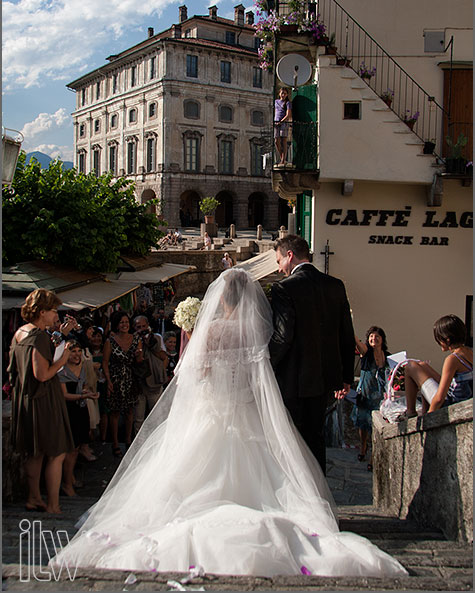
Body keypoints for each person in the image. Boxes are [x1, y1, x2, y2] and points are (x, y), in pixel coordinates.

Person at [51, 269, 407, 579]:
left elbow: (195, 376)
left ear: (218, 299)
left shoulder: (212, 332)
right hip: (247, 410)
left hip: (211, 410)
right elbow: (261, 379)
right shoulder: (257, 333)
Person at [268, 234, 355, 474]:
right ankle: (318, 492)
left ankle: (298, 496)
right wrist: (346, 376)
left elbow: (283, 337)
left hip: (293, 378)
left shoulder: (284, 288)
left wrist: (265, 362)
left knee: (292, 439)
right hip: (326, 378)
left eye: (278, 261)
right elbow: (346, 334)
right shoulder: (335, 285)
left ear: (289, 255)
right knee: (316, 437)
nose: (279, 268)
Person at [7, 288, 75, 514]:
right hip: (43, 399)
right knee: (57, 452)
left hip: (25, 398)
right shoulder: (37, 336)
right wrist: (63, 359)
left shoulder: (19, 333)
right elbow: (42, 374)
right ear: (42, 312)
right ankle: (53, 505)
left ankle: (34, 498)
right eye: (54, 310)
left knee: (34, 451)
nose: (56, 314)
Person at [404, 314, 473, 416]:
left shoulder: (453, 359)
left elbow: (440, 398)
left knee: (410, 366)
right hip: (463, 398)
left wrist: (429, 416)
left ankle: (410, 412)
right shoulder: (470, 352)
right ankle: (423, 410)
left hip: (452, 405)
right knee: (423, 365)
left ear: (447, 339)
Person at [58, 341, 99, 496]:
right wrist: (84, 395)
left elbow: (82, 386)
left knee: (76, 448)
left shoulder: (82, 367)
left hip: (81, 409)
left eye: (78, 351)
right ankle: (67, 483)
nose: (76, 354)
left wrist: (88, 393)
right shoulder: (62, 371)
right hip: (69, 411)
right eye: (72, 351)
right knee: (70, 449)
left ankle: (70, 478)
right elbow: (64, 395)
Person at [102, 311, 141, 457]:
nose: (124, 325)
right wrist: (109, 380)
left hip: (130, 378)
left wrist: (139, 355)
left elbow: (139, 361)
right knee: (115, 412)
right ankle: (116, 443)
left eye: (126, 322)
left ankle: (128, 440)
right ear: (117, 325)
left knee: (130, 411)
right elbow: (105, 362)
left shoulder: (136, 338)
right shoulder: (110, 341)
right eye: (121, 322)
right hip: (116, 378)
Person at [353, 327, 390, 471]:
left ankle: (373, 456)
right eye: (371, 337)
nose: (374, 339)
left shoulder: (387, 356)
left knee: (376, 426)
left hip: (379, 395)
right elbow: (356, 341)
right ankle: (363, 446)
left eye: (377, 336)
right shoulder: (366, 353)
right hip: (365, 393)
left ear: (382, 339)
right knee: (362, 423)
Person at [133, 316, 168, 434]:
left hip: (154, 382)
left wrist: (150, 344)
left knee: (157, 415)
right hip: (139, 384)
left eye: (144, 326)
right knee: (138, 418)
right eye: (139, 327)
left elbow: (163, 356)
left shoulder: (157, 338)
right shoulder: (133, 340)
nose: (142, 329)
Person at [274, 86, 292, 167]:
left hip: (283, 123)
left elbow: (288, 115)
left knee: (283, 140)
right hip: (276, 122)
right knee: (276, 141)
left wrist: (281, 122)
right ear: (279, 94)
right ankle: (282, 157)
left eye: (285, 93)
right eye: (282, 93)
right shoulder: (276, 102)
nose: (283, 95)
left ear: (287, 95)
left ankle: (283, 159)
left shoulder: (288, 103)